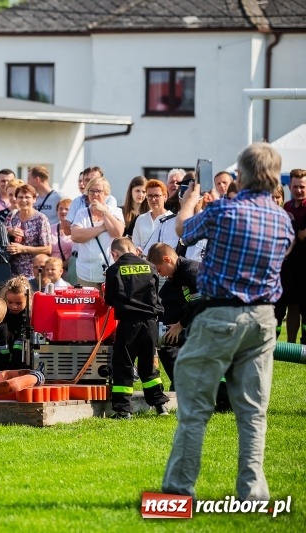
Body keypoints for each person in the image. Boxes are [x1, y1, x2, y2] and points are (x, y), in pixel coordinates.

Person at [161, 143, 295, 501]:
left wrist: (192, 197)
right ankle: (253, 494)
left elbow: (183, 230)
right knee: (253, 411)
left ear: (243, 174)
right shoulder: (282, 218)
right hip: (264, 318)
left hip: (220, 313)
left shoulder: (224, 210)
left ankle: (178, 491)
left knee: (194, 407)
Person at [103, 237, 168, 419]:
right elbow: (155, 293)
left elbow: (109, 300)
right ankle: (160, 406)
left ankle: (123, 410)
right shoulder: (150, 266)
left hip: (129, 323)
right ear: (134, 249)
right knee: (148, 366)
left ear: (114, 254)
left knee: (123, 364)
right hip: (150, 323)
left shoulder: (114, 269)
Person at [70, 177, 125, 289]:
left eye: (99, 191)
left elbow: (117, 233)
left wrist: (104, 212)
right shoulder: (82, 213)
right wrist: (102, 228)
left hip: (109, 270)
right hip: (85, 273)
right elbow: (75, 236)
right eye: (91, 191)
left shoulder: (116, 211)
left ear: (106, 193)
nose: (95, 194)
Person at [279, 168, 305, 343]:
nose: (299, 190)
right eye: (295, 186)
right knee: (291, 304)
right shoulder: (286, 207)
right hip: (289, 266)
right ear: (289, 187)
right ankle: (290, 345)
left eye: (302, 186)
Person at [4, 184, 51, 278]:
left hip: (31, 273)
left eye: (27, 197)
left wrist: (23, 248)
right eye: (20, 197)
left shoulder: (41, 219)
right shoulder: (12, 216)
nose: (23, 200)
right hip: (10, 271)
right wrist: (9, 232)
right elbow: (1, 236)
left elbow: (47, 249)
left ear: (34, 199)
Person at [131, 179, 177, 256]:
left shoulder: (173, 220)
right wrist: (137, 250)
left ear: (165, 197)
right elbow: (135, 244)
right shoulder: (141, 219)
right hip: (144, 262)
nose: (153, 199)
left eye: (156, 195)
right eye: (150, 196)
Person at [49, 198, 73, 278]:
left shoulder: (76, 229)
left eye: (67, 209)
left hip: (70, 270)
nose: (63, 211)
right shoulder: (50, 229)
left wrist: (60, 265)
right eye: (60, 209)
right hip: (52, 272)